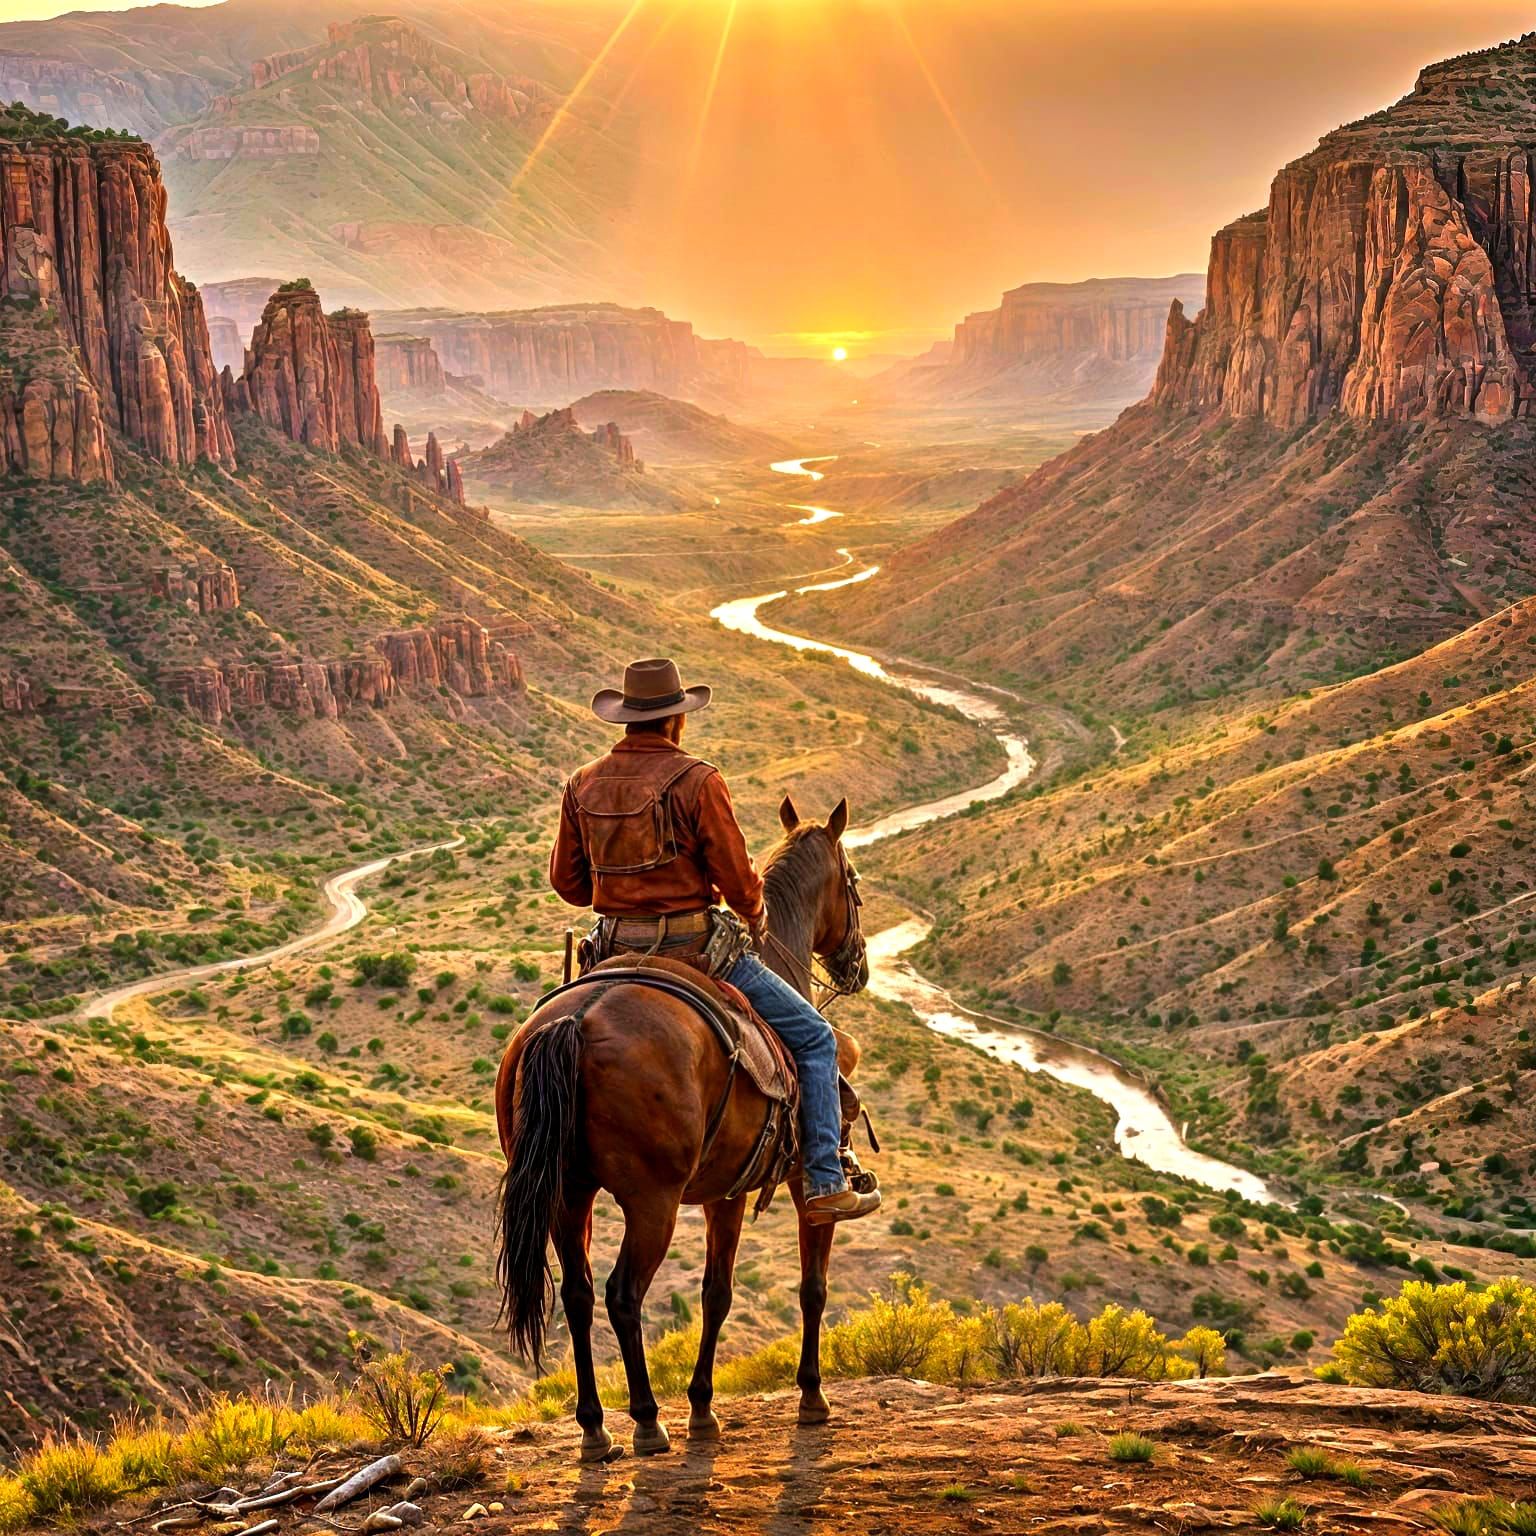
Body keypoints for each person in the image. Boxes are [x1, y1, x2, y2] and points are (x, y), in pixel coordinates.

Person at [549, 657, 880, 1225]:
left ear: (626, 720)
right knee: (818, 1039)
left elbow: (568, 885)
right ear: (677, 720)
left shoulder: (582, 783)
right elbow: (737, 880)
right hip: (697, 950)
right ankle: (825, 1179)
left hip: (609, 951)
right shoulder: (699, 780)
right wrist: (753, 912)